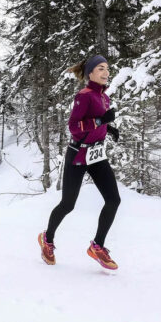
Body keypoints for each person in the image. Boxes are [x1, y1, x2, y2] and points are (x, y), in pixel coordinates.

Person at [38, 55, 121, 270]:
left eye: (107, 69)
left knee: (113, 200)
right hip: (79, 154)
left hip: (97, 155)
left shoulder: (104, 97)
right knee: (68, 204)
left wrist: (107, 128)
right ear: (90, 72)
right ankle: (47, 239)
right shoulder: (83, 96)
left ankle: (97, 246)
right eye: (101, 68)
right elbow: (74, 127)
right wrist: (102, 121)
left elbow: (97, 121)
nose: (106, 72)